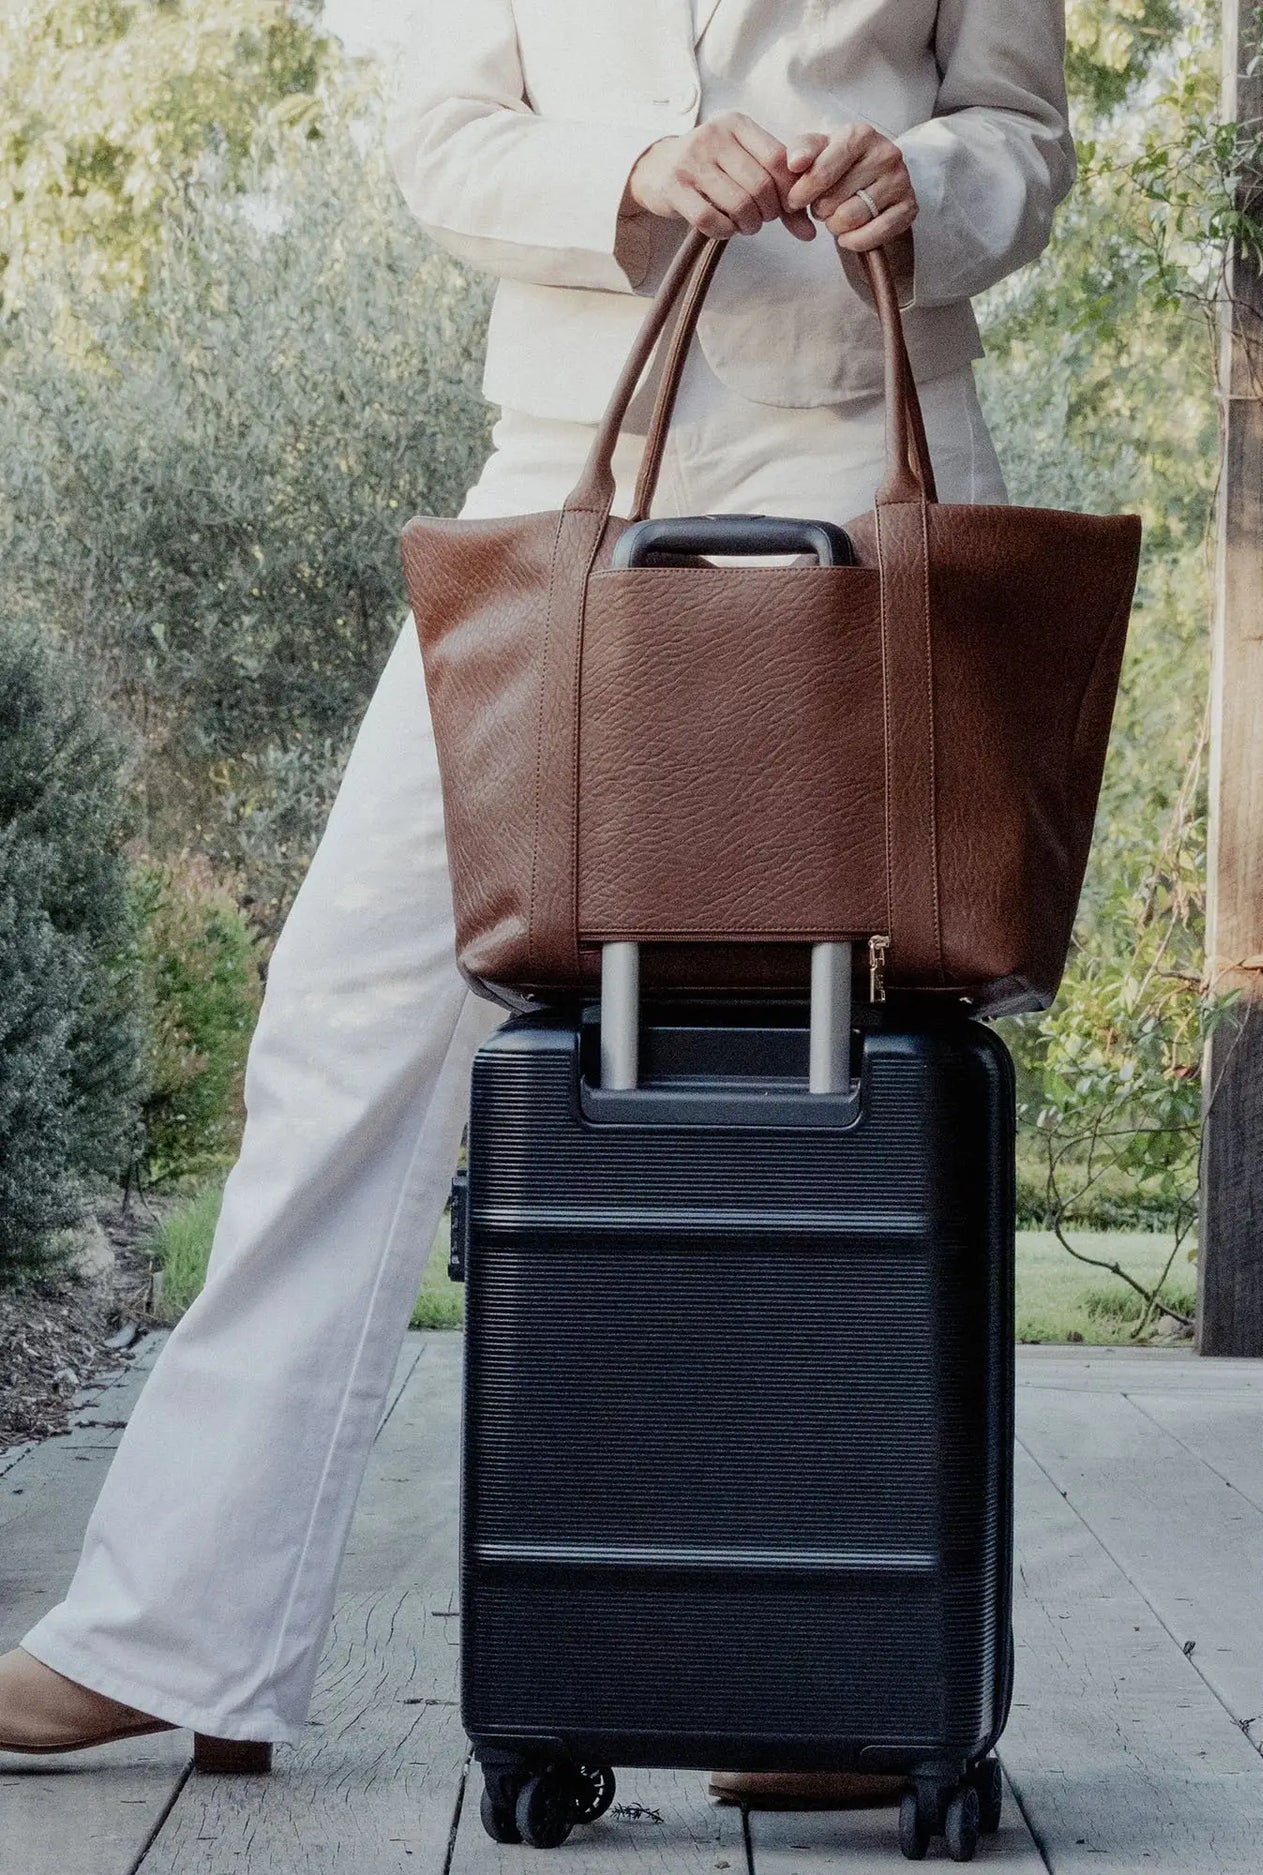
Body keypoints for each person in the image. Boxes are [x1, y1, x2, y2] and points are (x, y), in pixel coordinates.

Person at [0, 0, 1072, 1805]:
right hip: (572, 461)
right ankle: (174, 1631)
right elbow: (445, 136)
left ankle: (831, 1678)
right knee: (355, 1004)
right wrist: (638, 173)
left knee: (828, 1083)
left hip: (863, 473)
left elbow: (1023, 139)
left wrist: (925, 175)